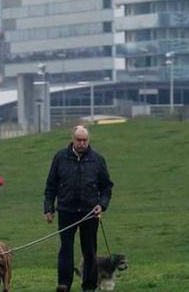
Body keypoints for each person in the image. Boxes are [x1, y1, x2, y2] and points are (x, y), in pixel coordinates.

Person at [44, 125, 113, 292]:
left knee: (89, 250)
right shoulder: (60, 157)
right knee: (66, 249)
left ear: (88, 140)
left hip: (89, 212)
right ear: (72, 140)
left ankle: (89, 286)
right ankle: (64, 285)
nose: (82, 143)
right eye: (79, 140)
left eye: (85, 140)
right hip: (66, 211)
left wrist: (101, 205)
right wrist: (48, 208)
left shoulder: (97, 160)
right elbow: (51, 185)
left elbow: (106, 187)